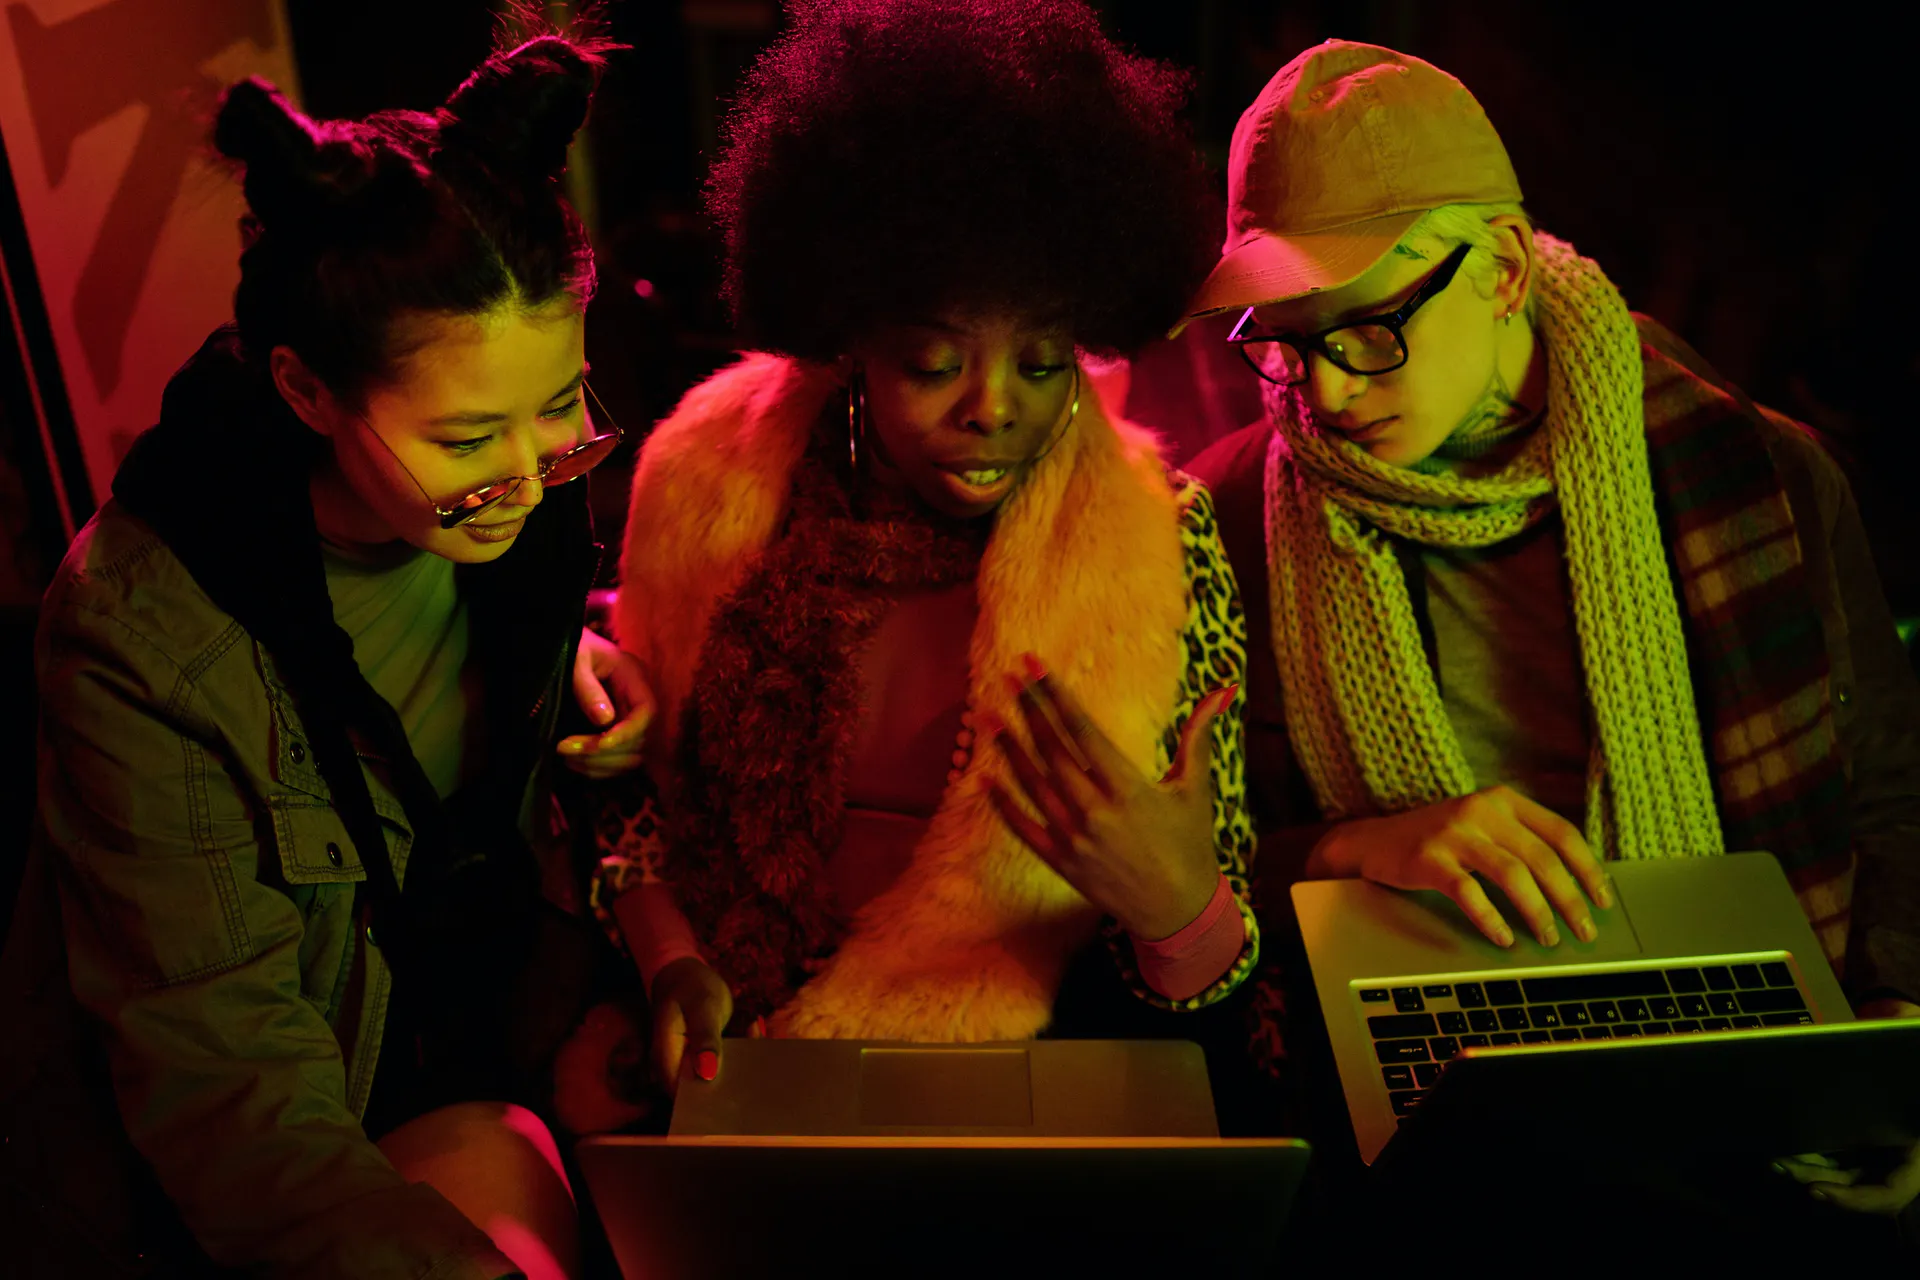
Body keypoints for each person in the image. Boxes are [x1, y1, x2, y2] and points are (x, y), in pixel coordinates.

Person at [1184, 40, 1920, 1256]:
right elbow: (1180, 887)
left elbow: (1888, 793)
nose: (1322, 385)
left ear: (1508, 268)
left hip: (1721, 1062)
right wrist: (1361, 846)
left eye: (1368, 327)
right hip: (1417, 1080)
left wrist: (1888, 1053)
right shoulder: (1227, 522)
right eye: (1285, 337)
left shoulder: (1758, 476)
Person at [0, 29, 652, 1280]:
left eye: (561, 406)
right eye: (467, 440)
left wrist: (573, 647)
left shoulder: (509, 511)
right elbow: (232, 1099)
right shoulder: (141, 638)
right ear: (304, 391)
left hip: (474, 1072)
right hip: (248, 1188)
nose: (527, 480)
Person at [566, 0, 1260, 1129]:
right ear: (852, 338)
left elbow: (1210, 997)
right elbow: (631, 812)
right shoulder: (704, 481)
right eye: (936, 361)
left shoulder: (1160, 541)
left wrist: (1179, 902)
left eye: (1043, 364)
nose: (993, 409)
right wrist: (668, 959)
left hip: (1013, 1091)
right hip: (732, 1071)